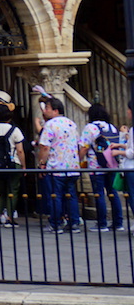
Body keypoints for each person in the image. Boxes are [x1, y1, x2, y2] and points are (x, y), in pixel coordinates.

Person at [36, 96, 82, 234]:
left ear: (55, 110)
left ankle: (56, 223)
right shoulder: (71, 123)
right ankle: (74, 223)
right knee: (71, 195)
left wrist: (42, 163)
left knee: (56, 196)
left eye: (48, 108)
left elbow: (44, 147)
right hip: (72, 165)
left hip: (57, 166)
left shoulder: (50, 125)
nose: (45, 110)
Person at [78, 102, 124, 232]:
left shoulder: (90, 128)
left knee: (99, 194)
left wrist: (78, 161)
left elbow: (84, 147)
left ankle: (102, 223)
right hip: (112, 165)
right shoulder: (112, 127)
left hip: (96, 165)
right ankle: (118, 222)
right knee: (113, 193)